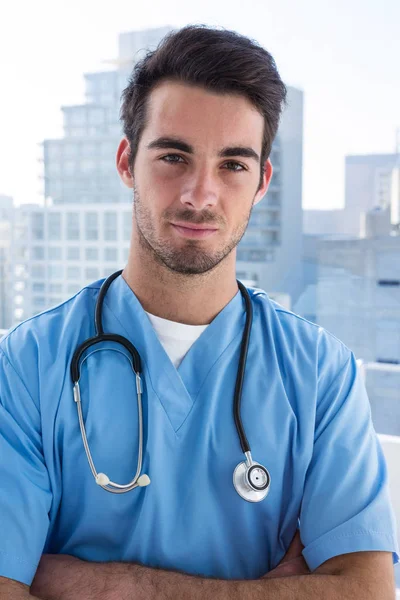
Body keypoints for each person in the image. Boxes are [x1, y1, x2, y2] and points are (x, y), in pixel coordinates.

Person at [0, 24, 398, 600]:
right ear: (126, 161)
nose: (200, 193)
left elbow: (365, 591)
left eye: (232, 165)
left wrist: (102, 584)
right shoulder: (28, 362)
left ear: (261, 181)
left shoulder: (321, 372)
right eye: (173, 156)